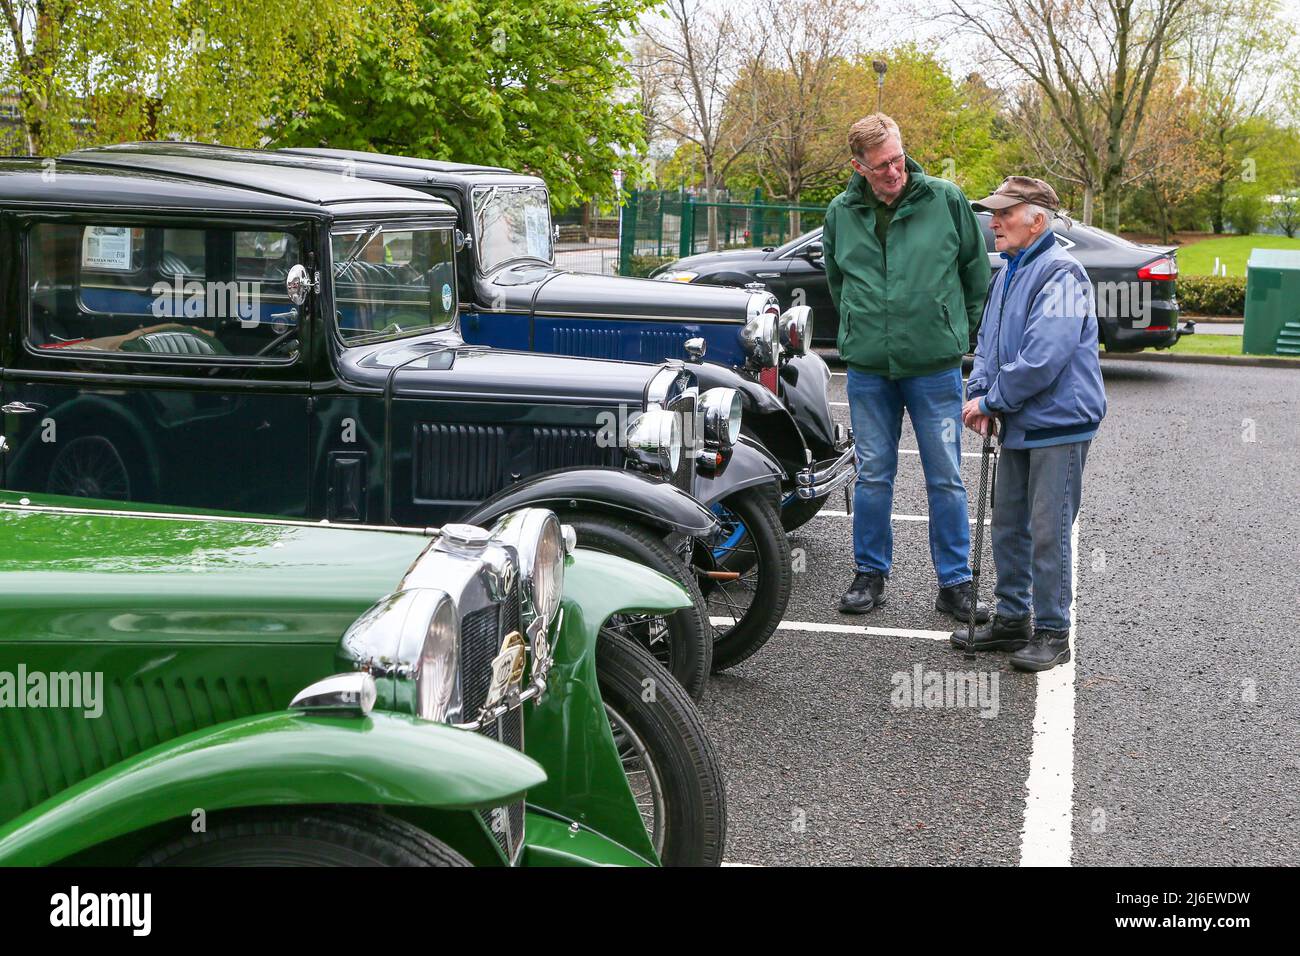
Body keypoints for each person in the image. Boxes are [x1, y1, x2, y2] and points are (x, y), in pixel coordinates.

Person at [822, 113, 991, 621]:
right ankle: (870, 574)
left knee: (945, 475)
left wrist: (970, 341)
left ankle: (956, 583)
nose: (894, 171)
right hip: (870, 368)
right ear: (859, 166)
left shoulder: (944, 199)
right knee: (873, 474)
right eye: (881, 166)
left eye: (897, 159)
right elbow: (838, 281)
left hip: (934, 365)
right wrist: (859, 327)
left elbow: (974, 272)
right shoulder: (840, 212)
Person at [954, 176, 1106, 671]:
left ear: (1036, 220)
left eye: (1004, 213)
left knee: (1048, 529)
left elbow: (1044, 357)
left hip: (1057, 425)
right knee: (1009, 526)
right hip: (1019, 421)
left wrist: (992, 400)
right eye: (993, 213)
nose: (993, 222)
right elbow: (989, 343)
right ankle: (1013, 618)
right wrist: (979, 392)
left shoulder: (1061, 273)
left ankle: (1053, 631)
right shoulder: (1008, 271)